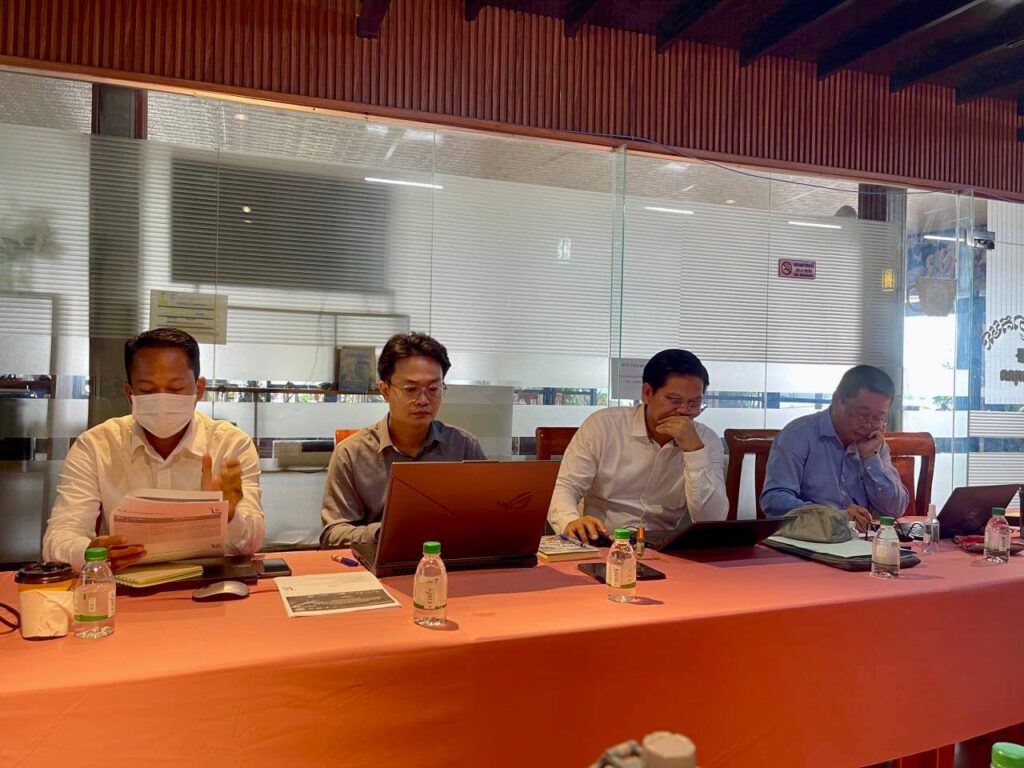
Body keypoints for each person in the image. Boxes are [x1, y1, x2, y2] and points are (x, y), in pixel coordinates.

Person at [42, 327, 265, 571]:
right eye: (148, 390)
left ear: (199, 389)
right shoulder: (95, 446)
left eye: (176, 388)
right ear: (130, 393)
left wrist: (229, 515)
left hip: (210, 579)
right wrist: (93, 553)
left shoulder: (230, 444)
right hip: (123, 583)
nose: (162, 400)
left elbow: (251, 543)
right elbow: (58, 540)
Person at [320, 332, 485, 548]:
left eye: (433, 389)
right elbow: (333, 534)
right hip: (378, 558)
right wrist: (385, 532)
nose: (423, 400)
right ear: (385, 390)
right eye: (411, 390)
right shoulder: (351, 454)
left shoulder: (464, 446)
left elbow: (488, 514)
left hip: (450, 557)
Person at [547, 349, 729, 542]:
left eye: (694, 403)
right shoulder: (604, 425)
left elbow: (711, 520)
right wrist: (570, 521)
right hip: (602, 540)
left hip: (662, 545)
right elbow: (565, 485)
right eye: (674, 400)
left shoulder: (706, 440)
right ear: (647, 393)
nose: (683, 412)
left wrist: (694, 452)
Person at [760, 364, 908, 529]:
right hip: (812, 537)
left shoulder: (874, 443)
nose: (869, 424)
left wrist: (870, 458)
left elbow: (895, 510)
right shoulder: (798, 435)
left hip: (862, 538)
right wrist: (833, 516)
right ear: (837, 399)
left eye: (879, 417)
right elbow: (774, 501)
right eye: (862, 414)